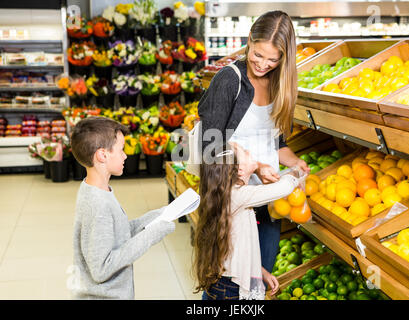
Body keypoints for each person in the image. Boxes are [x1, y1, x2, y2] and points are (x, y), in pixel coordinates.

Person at [197, 11, 310, 275]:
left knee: (261, 277)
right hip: (231, 200)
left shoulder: (281, 85)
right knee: (227, 278)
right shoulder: (229, 80)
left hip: (269, 200)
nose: (262, 64)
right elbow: (210, 146)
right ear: (249, 39)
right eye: (258, 54)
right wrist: (257, 166)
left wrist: (295, 163)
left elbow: (277, 143)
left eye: (273, 59)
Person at [70, 116, 175, 299]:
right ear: (102, 155)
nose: (126, 155)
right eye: (121, 150)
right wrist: (151, 235)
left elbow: (119, 233)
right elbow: (101, 269)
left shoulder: (96, 189)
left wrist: (157, 216)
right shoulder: (98, 204)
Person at [192, 142, 302, 300]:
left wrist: (260, 271)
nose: (249, 150)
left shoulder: (225, 193)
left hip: (224, 281)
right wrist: (294, 174)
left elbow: (239, 249)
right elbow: (283, 188)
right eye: (245, 152)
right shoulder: (236, 195)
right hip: (229, 288)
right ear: (240, 169)